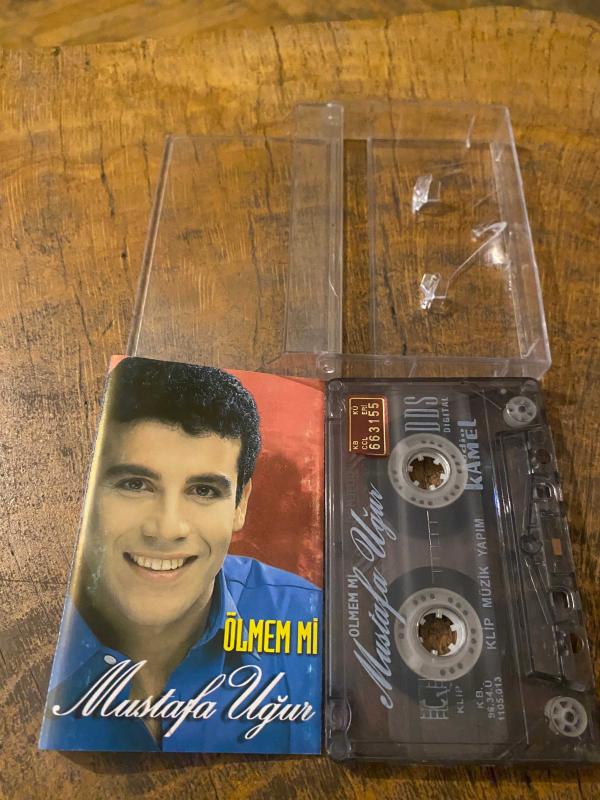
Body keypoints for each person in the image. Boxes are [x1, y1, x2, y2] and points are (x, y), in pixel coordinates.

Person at [39, 357, 322, 753]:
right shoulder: (33, 635)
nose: (167, 528)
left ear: (241, 504)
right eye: (135, 484)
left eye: (203, 490)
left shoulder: (311, 619)